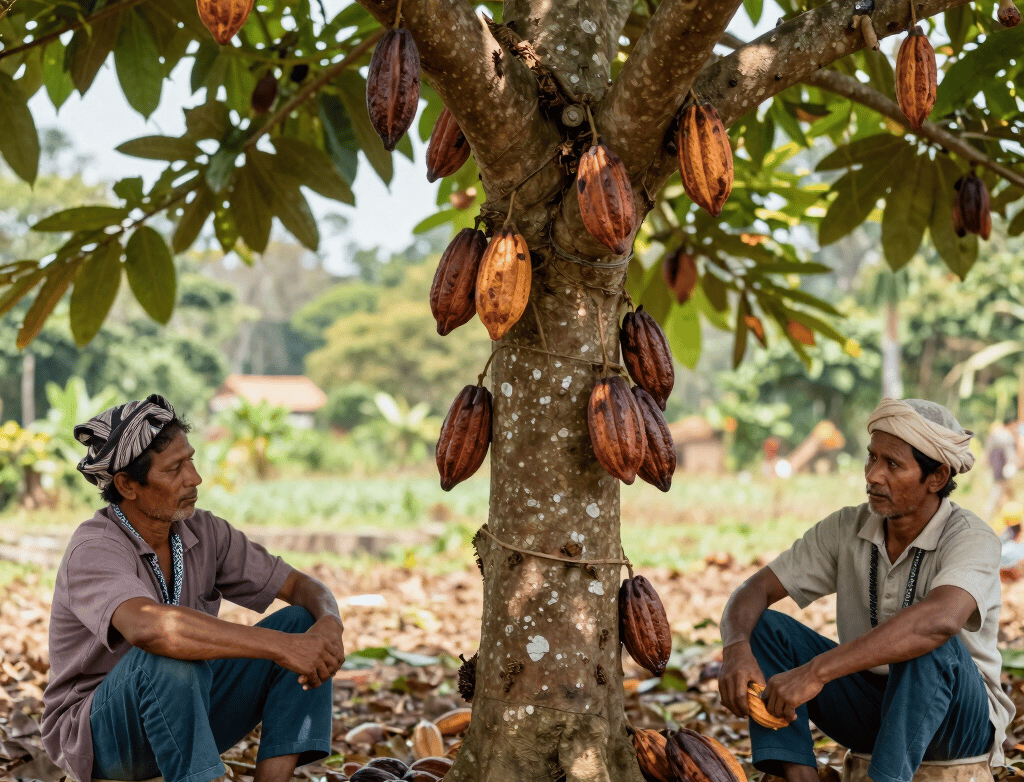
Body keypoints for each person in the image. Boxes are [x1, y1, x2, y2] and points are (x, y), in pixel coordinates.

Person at [41, 395, 345, 782]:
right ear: (127, 485)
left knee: (303, 622)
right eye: (174, 469)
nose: (194, 478)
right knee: (166, 655)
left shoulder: (203, 531)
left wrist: (329, 625)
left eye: (191, 460)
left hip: (187, 711)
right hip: (104, 739)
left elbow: (304, 586)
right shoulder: (95, 548)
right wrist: (284, 648)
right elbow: (151, 630)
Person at [718, 398, 1014, 782]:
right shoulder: (846, 527)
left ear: (937, 477)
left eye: (892, 464)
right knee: (765, 628)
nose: (873, 475)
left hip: (957, 723)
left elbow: (940, 621)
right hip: (869, 708)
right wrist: (736, 648)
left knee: (929, 640)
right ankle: (799, 776)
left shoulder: (971, 537)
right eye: (871, 458)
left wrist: (816, 672)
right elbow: (753, 590)